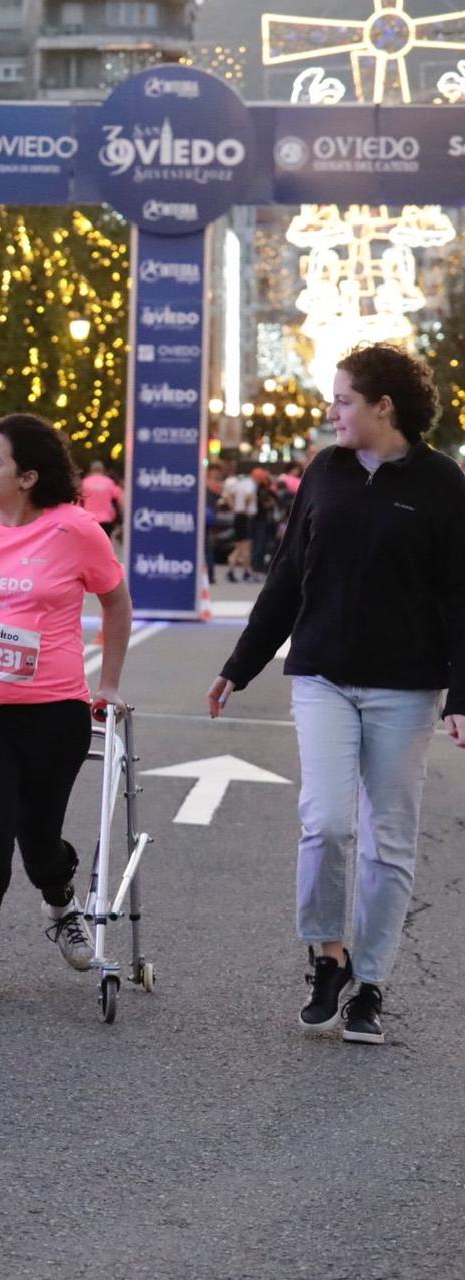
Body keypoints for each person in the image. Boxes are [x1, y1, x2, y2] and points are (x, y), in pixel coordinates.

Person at [209, 344, 465, 1045]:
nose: (332, 412)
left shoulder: (444, 482)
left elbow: (461, 597)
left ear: (385, 406)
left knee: (388, 839)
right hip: (322, 674)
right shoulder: (324, 471)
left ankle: (372, 984)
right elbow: (289, 575)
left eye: (343, 399)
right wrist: (241, 663)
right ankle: (328, 954)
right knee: (325, 822)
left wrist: (462, 694)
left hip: (406, 687)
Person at [0, 413, 132, 1000]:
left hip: (54, 710)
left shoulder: (75, 530)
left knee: (39, 838)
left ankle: (61, 903)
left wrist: (109, 683)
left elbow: (116, 604)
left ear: (28, 478)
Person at [222, 462, 259, 581]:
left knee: (239, 547)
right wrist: (245, 507)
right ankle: (247, 572)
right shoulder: (249, 483)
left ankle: (232, 570)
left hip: (238, 515)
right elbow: (249, 496)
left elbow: (227, 496)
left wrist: (234, 507)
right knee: (246, 547)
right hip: (245, 516)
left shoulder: (236, 483)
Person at [79, 460, 123, 535]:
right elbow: (119, 496)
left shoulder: (85, 482)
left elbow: (78, 500)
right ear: (102, 470)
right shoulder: (108, 482)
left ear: (91, 470)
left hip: (89, 518)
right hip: (106, 519)